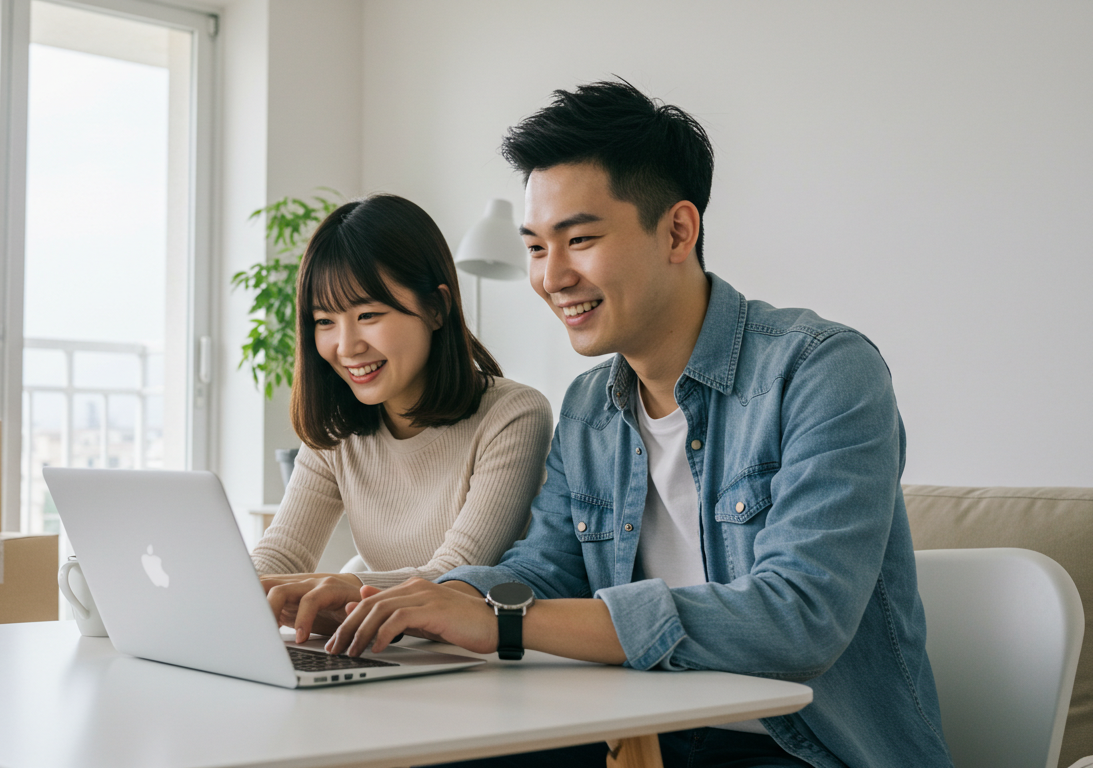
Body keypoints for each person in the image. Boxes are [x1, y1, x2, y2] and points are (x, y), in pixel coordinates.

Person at [323, 81, 954, 768]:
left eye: (581, 239)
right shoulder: (591, 406)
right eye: (536, 247)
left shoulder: (823, 372)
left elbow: (797, 618)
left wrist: (504, 621)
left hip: (806, 750)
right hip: (638, 730)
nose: (552, 276)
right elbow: (546, 569)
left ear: (678, 231)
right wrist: (421, 602)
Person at [251, 193, 553, 645]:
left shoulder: (513, 415)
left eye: (368, 314)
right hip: (395, 651)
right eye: (324, 321)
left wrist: (351, 587)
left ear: (436, 308)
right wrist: (235, 592)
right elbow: (282, 553)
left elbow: (456, 574)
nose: (347, 345)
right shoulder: (339, 430)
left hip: (484, 665)